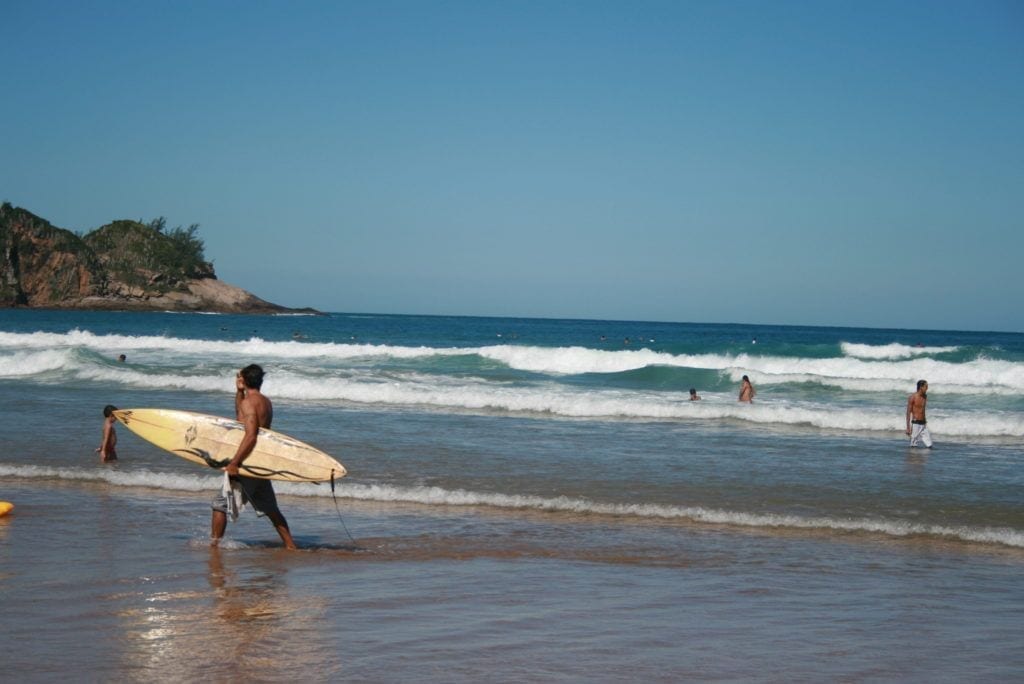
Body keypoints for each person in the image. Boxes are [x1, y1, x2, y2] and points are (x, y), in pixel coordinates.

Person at [210, 364, 297, 549]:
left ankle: (214, 547)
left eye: (240, 378)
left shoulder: (249, 403)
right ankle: (291, 547)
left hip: (248, 463)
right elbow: (240, 419)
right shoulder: (265, 402)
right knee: (272, 510)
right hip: (260, 463)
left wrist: (234, 463)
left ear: (244, 379)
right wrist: (239, 391)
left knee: (220, 504)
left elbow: (250, 435)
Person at [906, 379, 932, 448]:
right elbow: (908, 413)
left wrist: (925, 421)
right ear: (921, 387)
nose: (927, 388)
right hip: (916, 424)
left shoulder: (925, 396)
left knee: (929, 445)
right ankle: (913, 458)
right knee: (913, 445)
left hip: (923, 424)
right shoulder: (912, 397)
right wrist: (908, 428)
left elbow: (923, 410)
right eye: (926, 386)